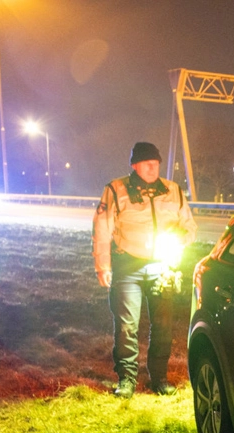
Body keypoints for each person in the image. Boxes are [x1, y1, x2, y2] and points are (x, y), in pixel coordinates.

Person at [92, 141, 197, 399]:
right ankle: (127, 379)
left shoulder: (173, 191)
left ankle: (158, 378)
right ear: (134, 165)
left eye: (156, 163)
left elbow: (190, 228)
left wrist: (179, 239)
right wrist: (103, 265)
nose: (153, 168)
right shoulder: (116, 190)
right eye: (147, 163)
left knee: (163, 325)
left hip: (163, 267)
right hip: (128, 265)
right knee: (127, 325)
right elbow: (102, 230)